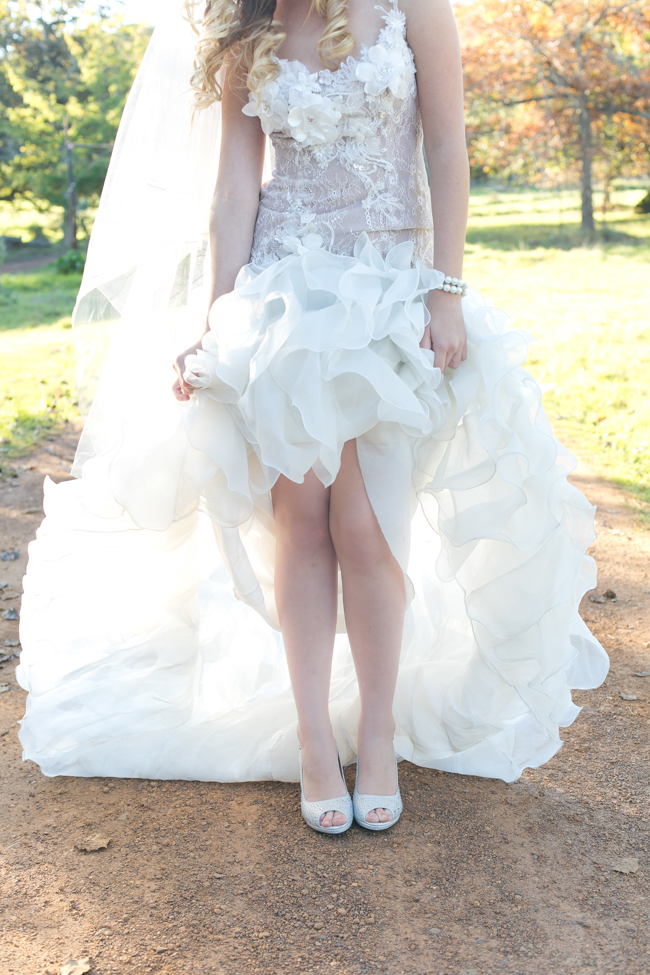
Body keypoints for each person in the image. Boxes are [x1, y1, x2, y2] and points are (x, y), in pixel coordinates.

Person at [17, 0, 608, 835]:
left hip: (387, 289)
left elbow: (446, 145)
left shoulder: (413, 10)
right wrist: (214, 319)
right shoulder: (246, 27)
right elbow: (233, 187)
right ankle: (311, 741)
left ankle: (376, 736)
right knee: (301, 522)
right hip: (284, 295)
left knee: (365, 526)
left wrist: (447, 286)